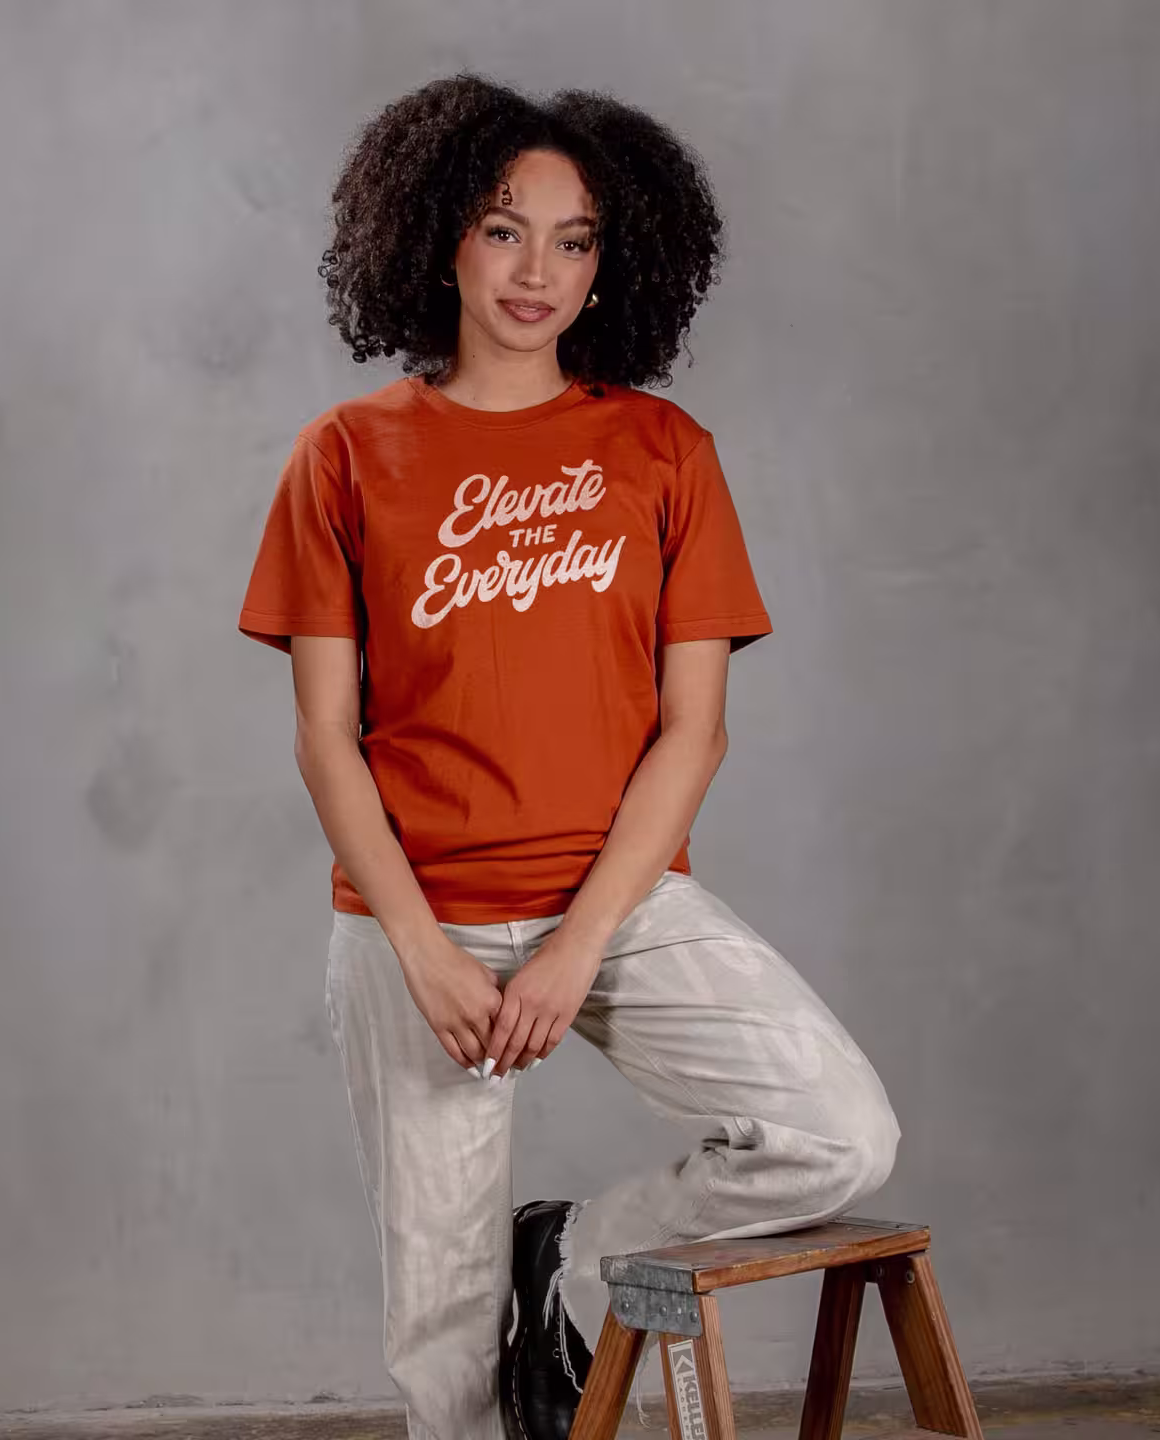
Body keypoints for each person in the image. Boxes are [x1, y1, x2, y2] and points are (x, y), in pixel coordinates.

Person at [237, 73, 901, 1440]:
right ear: (437, 239)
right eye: (503, 229)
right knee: (445, 1349)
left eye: (575, 239)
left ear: (613, 264)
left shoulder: (663, 451)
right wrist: (420, 947)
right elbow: (324, 737)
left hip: (622, 903)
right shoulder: (345, 456)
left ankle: (573, 1261)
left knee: (838, 1135)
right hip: (416, 923)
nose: (537, 271)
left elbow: (695, 729)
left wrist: (580, 943)